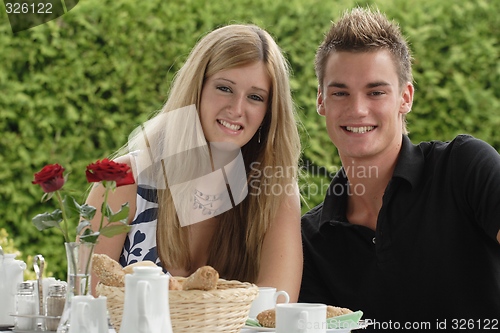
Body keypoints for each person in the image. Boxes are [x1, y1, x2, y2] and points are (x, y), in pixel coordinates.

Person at [299, 7, 500, 329]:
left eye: (376, 92)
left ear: (405, 97)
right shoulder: (309, 240)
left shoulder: (465, 167)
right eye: (340, 93)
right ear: (322, 101)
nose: (358, 109)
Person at [86, 24, 302, 301]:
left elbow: (274, 312)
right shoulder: (122, 181)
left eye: (255, 97)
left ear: (269, 113)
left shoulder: (276, 191)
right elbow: (85, 306)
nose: (237, 109)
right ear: (195, 89)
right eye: (224, 88)